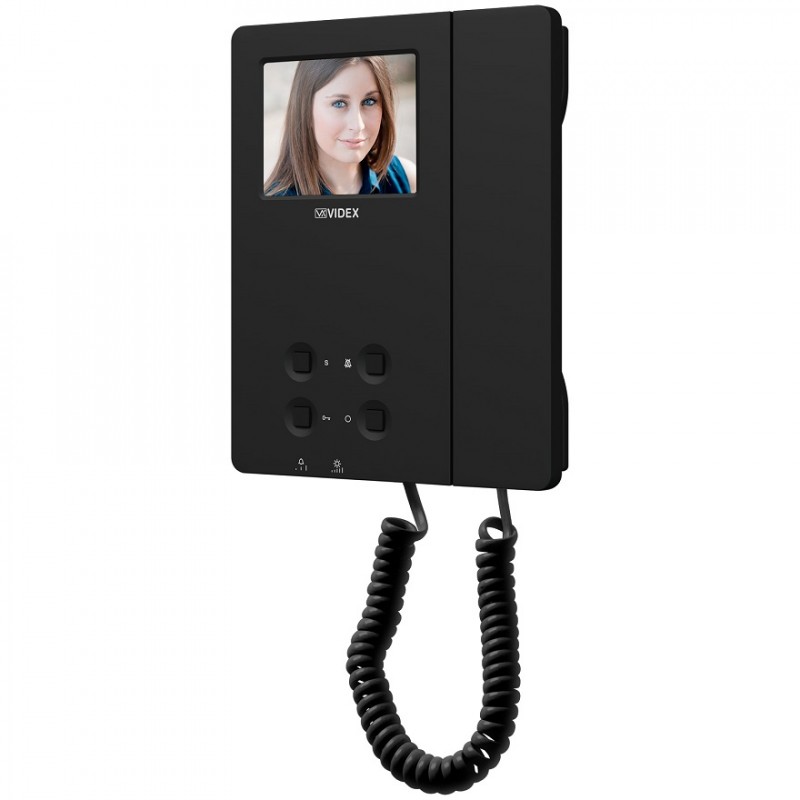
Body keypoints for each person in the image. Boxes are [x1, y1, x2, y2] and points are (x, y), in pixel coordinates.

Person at [264, 56, 416, 196]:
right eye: (339, 103)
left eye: (369, 101)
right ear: (305, 111)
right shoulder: (275, 206)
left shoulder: (407, 180)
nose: (358, 125)